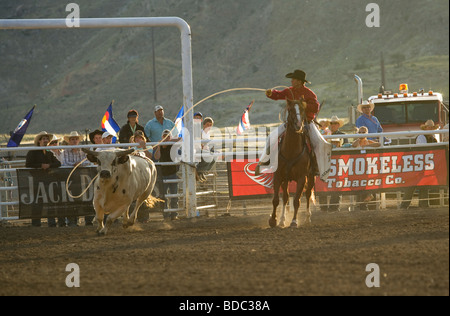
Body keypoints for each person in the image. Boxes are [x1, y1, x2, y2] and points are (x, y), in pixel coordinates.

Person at [255, 69, 332, 179]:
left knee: (320, 143)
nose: (291, 81)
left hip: (307, 123)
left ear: (300, 81)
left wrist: (306, 106)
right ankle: (263, 162)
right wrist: (271, 93)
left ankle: (317, 166)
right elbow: (278, 95)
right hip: (290, 123)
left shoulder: (309, 93)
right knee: (271, 137)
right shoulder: (289, 91)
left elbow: (315, 107)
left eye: (294, 79)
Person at [400, 120, 440, 210]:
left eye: (431, 128)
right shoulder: (421, 137)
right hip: (417, 164)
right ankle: (405, 205)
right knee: (412, 185)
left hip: (423, 164)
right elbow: (424, 149)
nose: (430, 129)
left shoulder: (432, 138)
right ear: (425, 128)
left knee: (424, 184)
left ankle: (423, 204)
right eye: (428, 127)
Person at [25, 131, 62, 227]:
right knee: (38, 201)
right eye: (44, 139)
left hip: (48, 179)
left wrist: (49, 165)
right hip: (37, 179)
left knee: (50, 200)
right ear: (39, 141)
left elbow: (58, 163)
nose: (46, 141)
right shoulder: (33, 152)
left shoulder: (49, 152)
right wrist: (40, 166)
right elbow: (28, 164)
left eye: (47, 139)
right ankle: (36, 222)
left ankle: (51, 222)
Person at [61, 131, 90, 226]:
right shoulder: (65, 151)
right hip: (70, 179)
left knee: (85, 198)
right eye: (72, 139)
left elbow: (88, 161)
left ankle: (87, 220)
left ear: (78, 141)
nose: (74, 141)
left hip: (82, 179)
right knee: (70, 199)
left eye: (76, 139)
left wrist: (79, 164)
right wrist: (76, 164)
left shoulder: (83, 151)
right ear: (69, 141)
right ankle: (72, 220)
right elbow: (64, 163)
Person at [153, 129, 180, 220]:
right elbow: (157, 157)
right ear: (162, 137)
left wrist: (168, 141)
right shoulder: (161, 146)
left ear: (170, 137)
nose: (166, 138)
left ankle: (174, 214)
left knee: (174, 194)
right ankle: (166, 214)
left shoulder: (173, 145)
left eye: (168, 136)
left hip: (172, 172)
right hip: (163, 173)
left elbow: (181, 139)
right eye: (164, 136)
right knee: (163, 195)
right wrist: (159, 146)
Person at [196, 117, 217, 182]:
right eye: (208, 124)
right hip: (199, 150)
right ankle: (199, 170)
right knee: (208, 157)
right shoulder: (200, 132)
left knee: (214, 157)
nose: (209, 126)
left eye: (210, 125)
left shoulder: (208, 134)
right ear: (204, 125)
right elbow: (198, 142)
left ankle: (203, 171)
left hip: (205, 150)